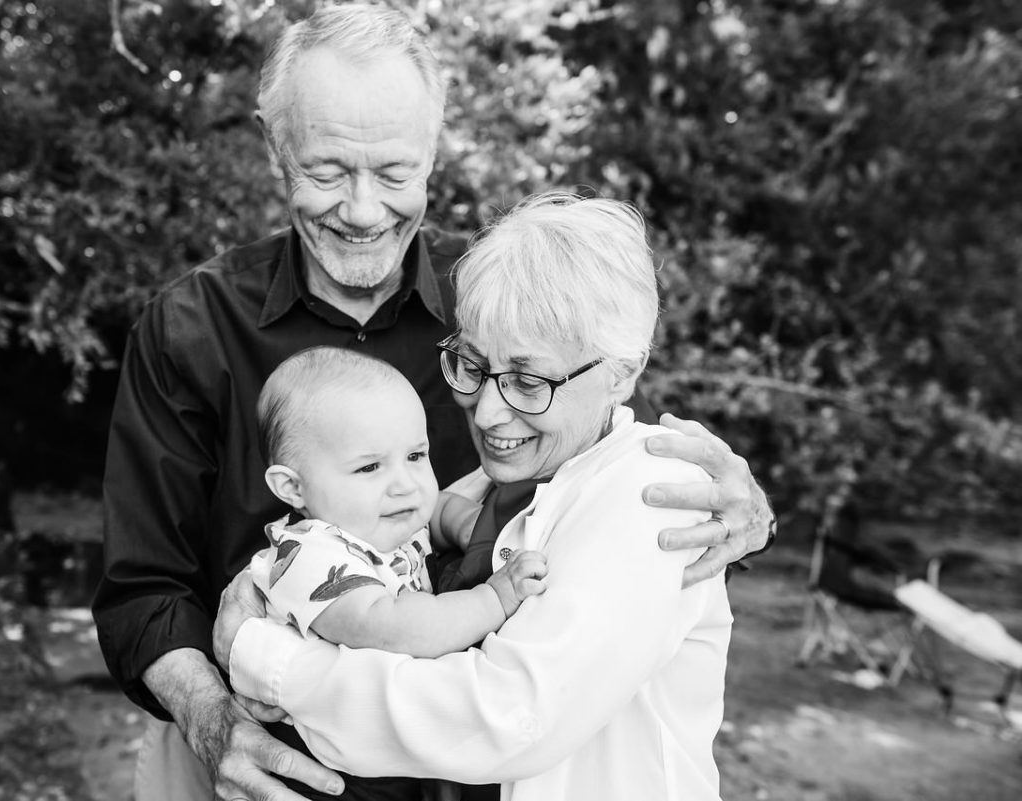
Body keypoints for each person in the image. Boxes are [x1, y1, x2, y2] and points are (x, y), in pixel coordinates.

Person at [92, 5, 775, 801]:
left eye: (393, 172)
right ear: (275, 147)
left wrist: (736, 513)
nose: (361, 210)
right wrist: (213, 720)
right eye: (325, 172)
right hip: (247, 763)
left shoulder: (500, 298)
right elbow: (142, 589)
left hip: (461, 770)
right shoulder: (188, 328)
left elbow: (599, 480)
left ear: (434, 148)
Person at [220, 192, 732, 800]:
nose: (487, 411)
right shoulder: (515, 481)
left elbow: (506, 716)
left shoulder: (652, 491)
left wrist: (264, 658)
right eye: (473, 364)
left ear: (621, 372)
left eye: (527, 379)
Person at [248, 346, 547, 800]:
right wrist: (493, 598)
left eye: (415, 456)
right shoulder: (310, 557)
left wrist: (468, 525)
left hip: (390, 744)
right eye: (370, 466)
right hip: (335, 770)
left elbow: (435, 508)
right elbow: (392, 626)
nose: (406, 483)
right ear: (292, 487)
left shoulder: (378, 515)